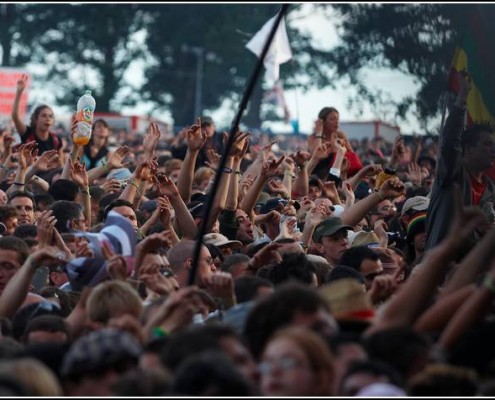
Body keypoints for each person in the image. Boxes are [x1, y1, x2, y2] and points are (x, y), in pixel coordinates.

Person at [425, 71, 495, 253]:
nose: (493, 150)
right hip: (440, 272)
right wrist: (462, 100)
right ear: (469, 149)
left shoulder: (491, 190)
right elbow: (449, 143)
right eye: (487, 145)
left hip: (470, 274)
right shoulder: (452, 174)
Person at [12, 74, 62, 155]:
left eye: (50, 116)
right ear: (35, 119)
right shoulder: (27, 133)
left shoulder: (57, 140)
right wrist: (19, 92)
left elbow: (61, 164)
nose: (48, 119)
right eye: (44, 115)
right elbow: (15, 116)